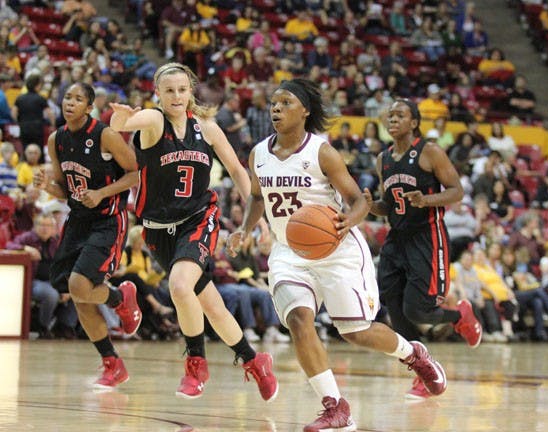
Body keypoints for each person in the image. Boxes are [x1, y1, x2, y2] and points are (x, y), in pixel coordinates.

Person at [227, 79, 447, 431]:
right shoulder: (258, 154)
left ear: (305, 111)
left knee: (355, 331)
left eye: (285, 102)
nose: (276, 109)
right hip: (288, 252)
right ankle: (335, 406)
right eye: (274, 103)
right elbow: (256, 197)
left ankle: (414, 355)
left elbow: (359, 199)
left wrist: (349, 222)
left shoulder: (322, 152)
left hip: (335, 249)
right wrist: (246, 229)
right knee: (299, 320)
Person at [109, 62, 277, 401]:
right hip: (157, 230)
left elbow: (236, 169)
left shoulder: (208, 128)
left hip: (199, 218)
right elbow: (126, 123)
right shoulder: (155, 121)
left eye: (182, 90)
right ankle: (254, 359)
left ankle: (196, 363)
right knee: (210, 305)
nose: (176, 96)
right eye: (168, 90)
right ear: (158, 93)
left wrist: (256, 216)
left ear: (191, 92)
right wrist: (121, 119)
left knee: (179, 285)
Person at [367, 98, 482, 396]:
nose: (392, 119)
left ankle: (460, 317)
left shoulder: (429, 151)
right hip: (396, 240)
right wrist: (371, 206)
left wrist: (427, 200)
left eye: (400, 115)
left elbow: (457, 191)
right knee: (393, 304)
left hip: (427, 236)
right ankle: (422, 368)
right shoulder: (384, 159)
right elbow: (389, 205)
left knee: (418, 310)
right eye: (390, 115)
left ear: (414, 122)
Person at [33, 82, 142, 389]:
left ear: (89, 106)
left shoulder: (104, 134)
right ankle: (112, 363)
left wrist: (103, 192)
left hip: (108, 219)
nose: (70, 102)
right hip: (78, 220)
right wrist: (45, 186)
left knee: (79, 284)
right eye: (67, 96)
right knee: (76, 291)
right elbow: (65, 190)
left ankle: (122, 298)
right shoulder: (56, 139)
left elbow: (135, 173)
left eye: (78, 98)